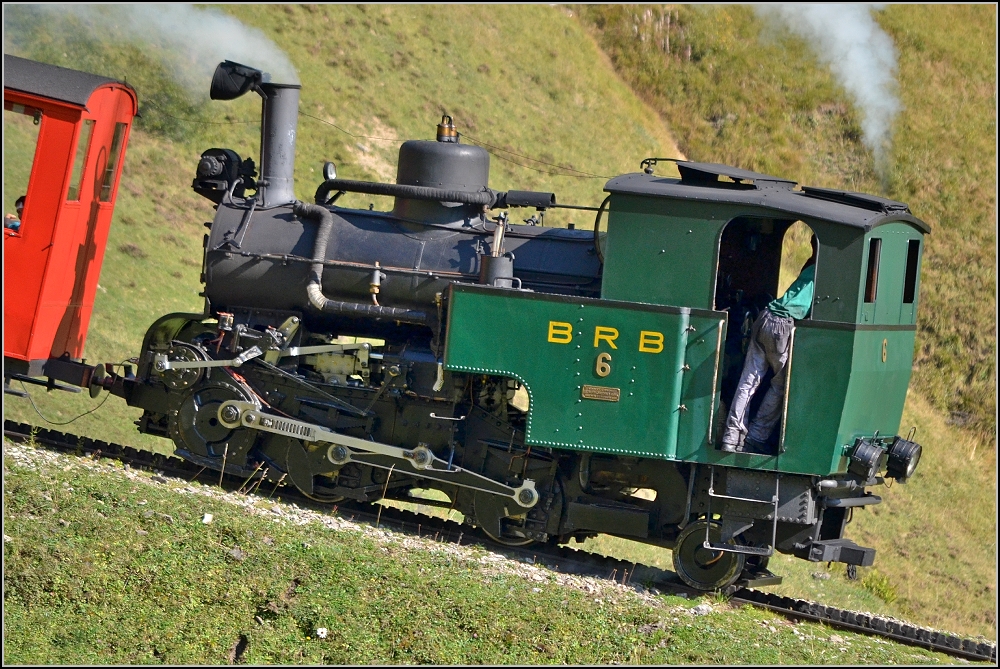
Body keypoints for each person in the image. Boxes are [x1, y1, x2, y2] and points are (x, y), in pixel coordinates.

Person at [721, 235, 818, 453]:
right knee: (780, 384)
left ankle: (731, 436)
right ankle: (756, 436)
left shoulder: (808, 268)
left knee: (749, 380)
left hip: (766, 316)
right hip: (783, 325)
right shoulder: (823, 273)